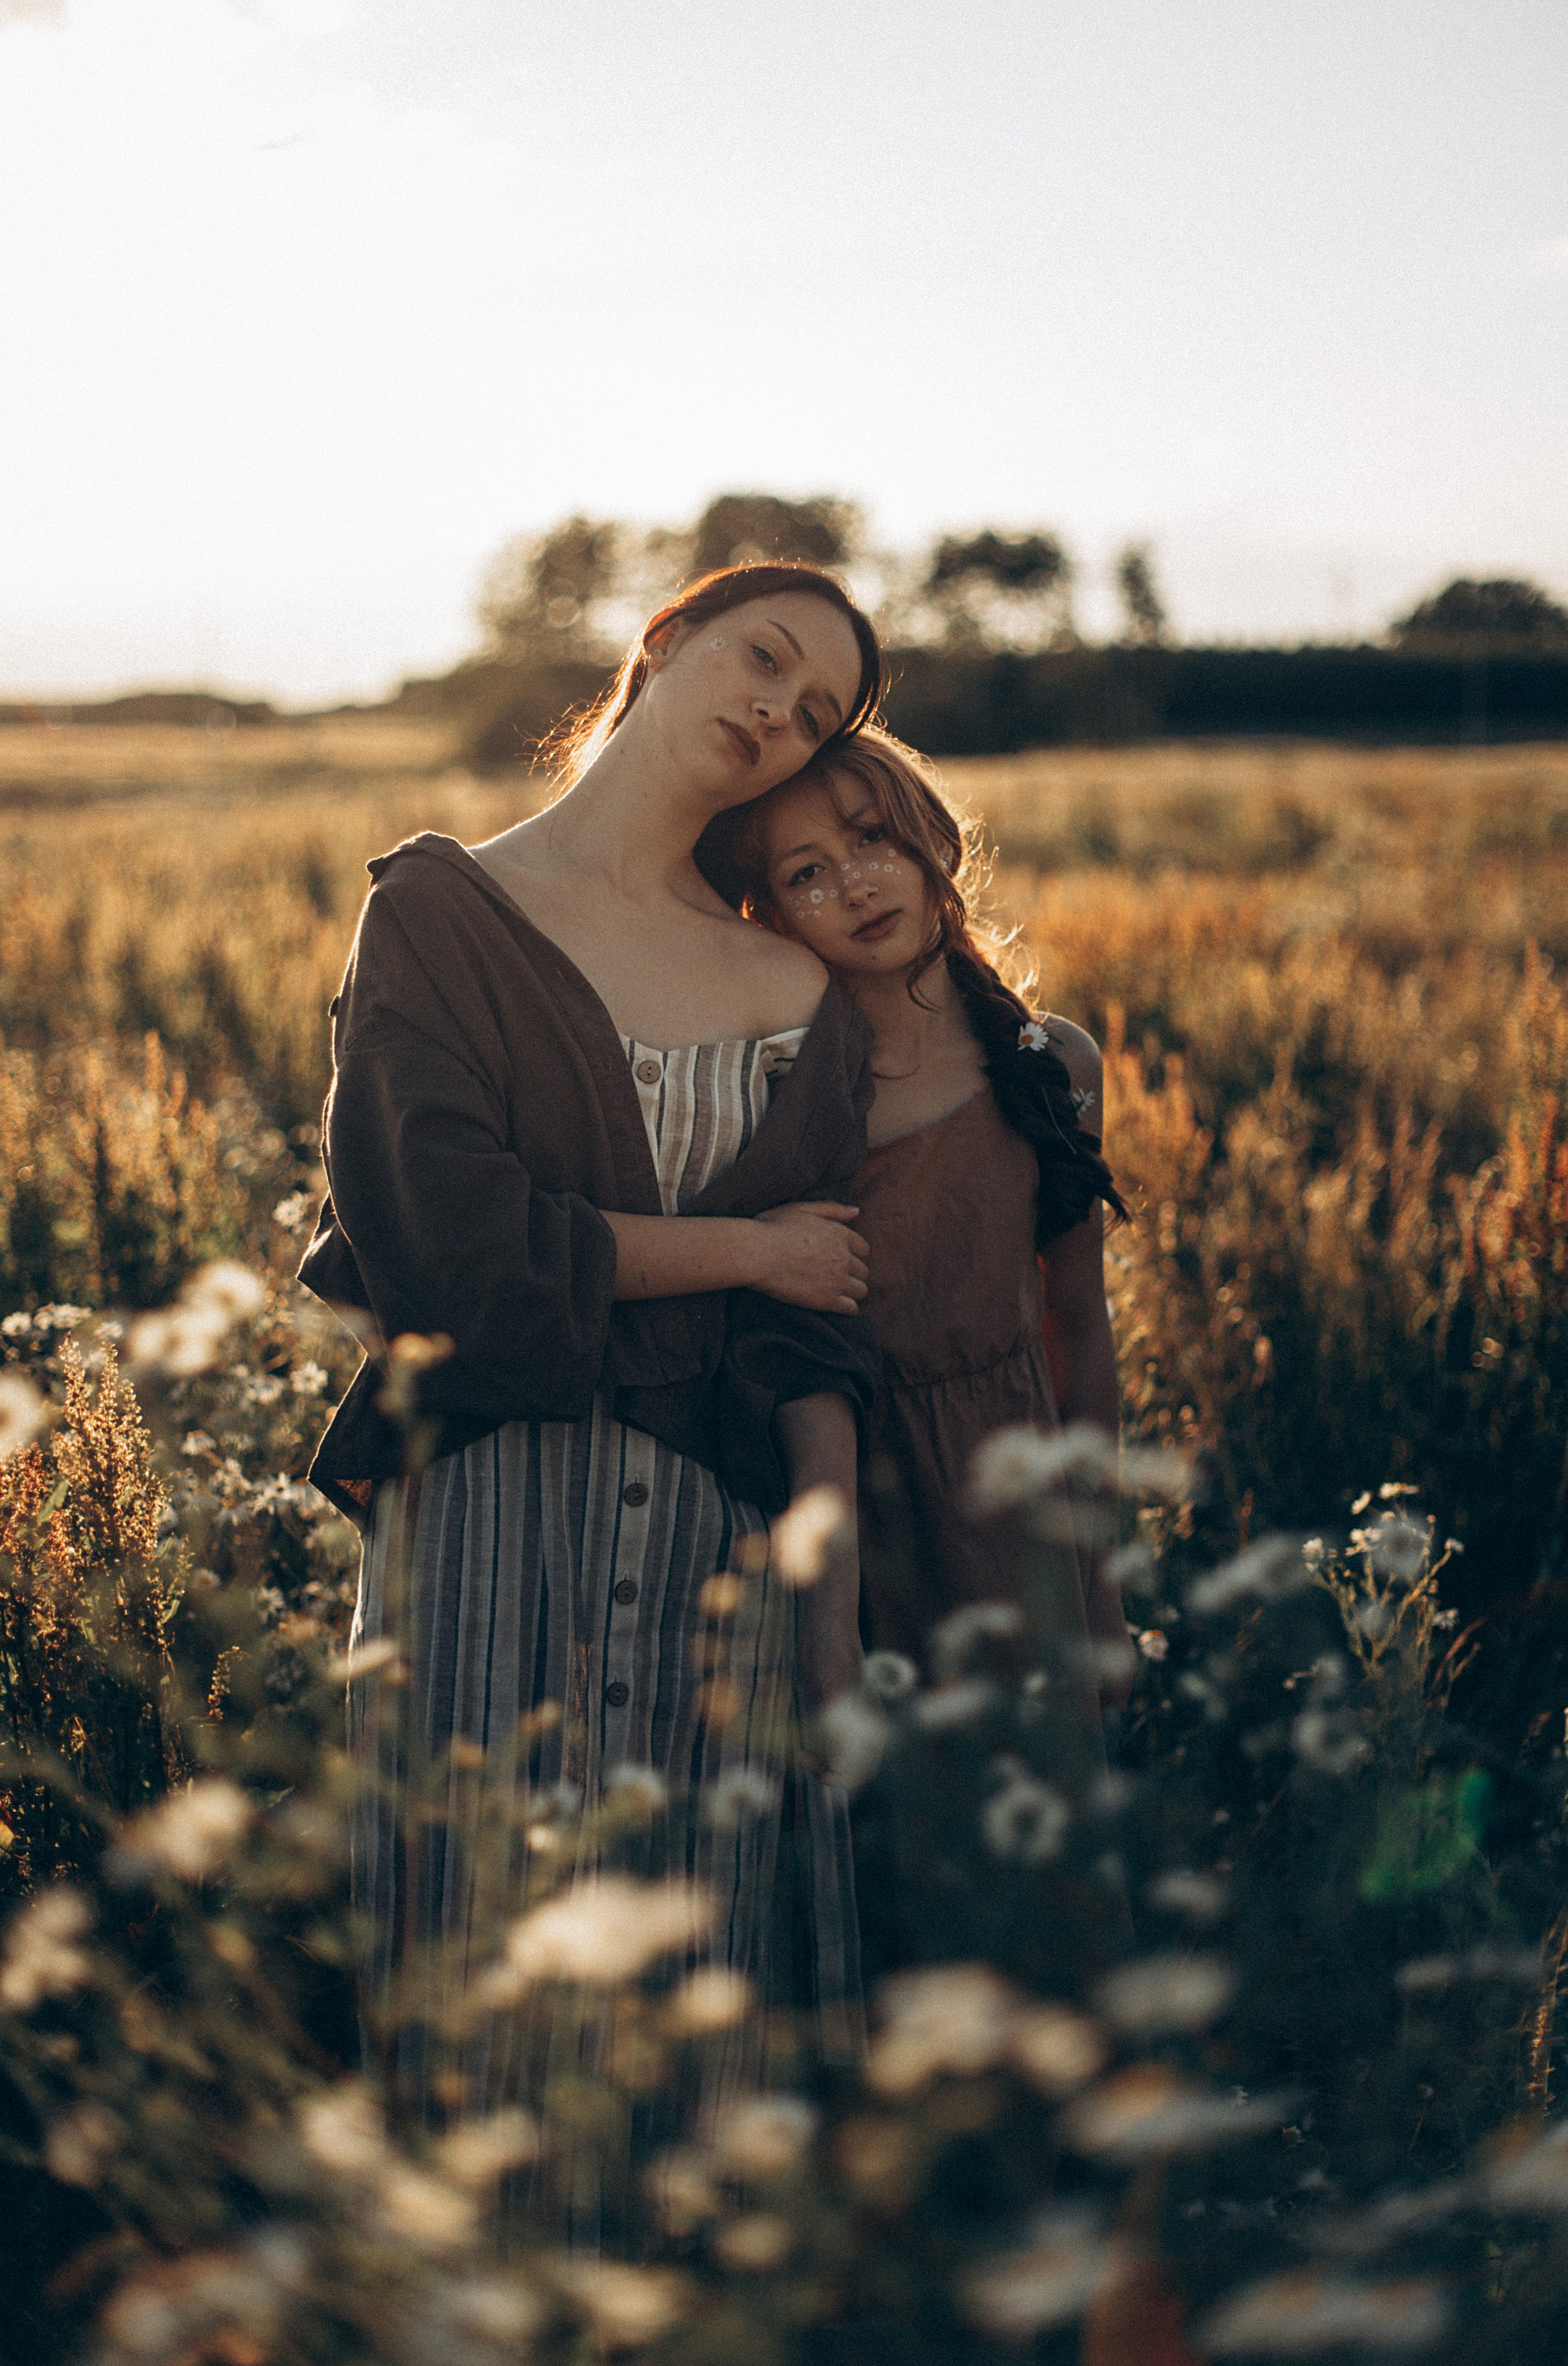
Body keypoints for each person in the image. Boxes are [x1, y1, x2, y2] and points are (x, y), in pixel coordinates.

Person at [299, 564, 885, 2242]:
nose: (777, 711)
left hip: (723, 1557)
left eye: (818, 714)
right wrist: (746, 1252)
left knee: (708, 1997)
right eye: (763, 657)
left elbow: (816, 1332)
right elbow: (449, 1246)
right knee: (482, 1969)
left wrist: (831, 1613)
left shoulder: (799, 992)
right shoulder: (443, 914)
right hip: (483, 1519)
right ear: (668, 640)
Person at [697, 726, 1137, 1734]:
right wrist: (828, 1619)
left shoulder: (1050, 1064)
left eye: (874, 840)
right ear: (768, 917)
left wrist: (1101, 1583)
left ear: (936, 839)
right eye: (809, 873)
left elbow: (1081, 1325)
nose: (856, 884)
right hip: (857, 1502)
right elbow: (803, 1365)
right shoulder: (792, 1100)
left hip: (1019, 1496)